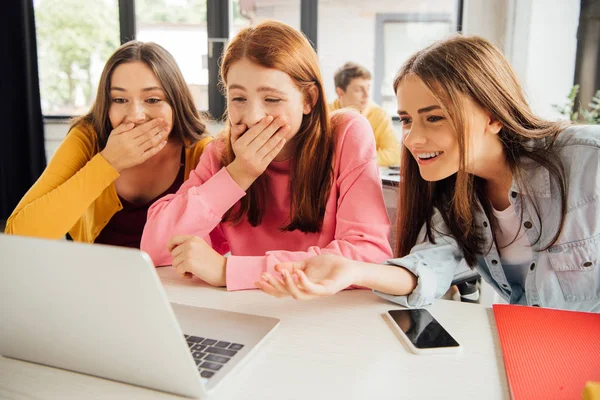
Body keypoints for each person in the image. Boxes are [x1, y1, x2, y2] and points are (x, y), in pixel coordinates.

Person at [257, 34, 600, 313]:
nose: (413, 139)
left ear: (494, 116)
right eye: (406, 119)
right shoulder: (456, 192)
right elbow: (429, 267)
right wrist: (352, 270)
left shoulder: (588, 161)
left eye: (434, 117)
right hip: (532, 347)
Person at [140, 20, 393, 290]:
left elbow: (367, 256)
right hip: (248, 311)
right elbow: (155, 249)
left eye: (271, 100)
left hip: (324, 312)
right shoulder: (222, 153)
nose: (252, 117)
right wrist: (239, 174)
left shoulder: (346, 134)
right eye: (238, 99)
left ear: (309, 99)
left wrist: (230, 271)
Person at [5, 41, 212, 248]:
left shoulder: (202, 151)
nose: (136, 116)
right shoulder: (87, 139)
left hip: (175, 280)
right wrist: (107, 163)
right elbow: (19, 235)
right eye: (120, 100)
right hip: (95, 276)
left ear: (176, 103)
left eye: (152, 99)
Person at [329, 62, 400, 167]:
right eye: (358, 90)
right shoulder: (325, 113)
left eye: (368, 88)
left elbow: (394, 154)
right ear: (340, 92)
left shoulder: (379, 115)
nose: (367, 95)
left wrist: (355, 161)